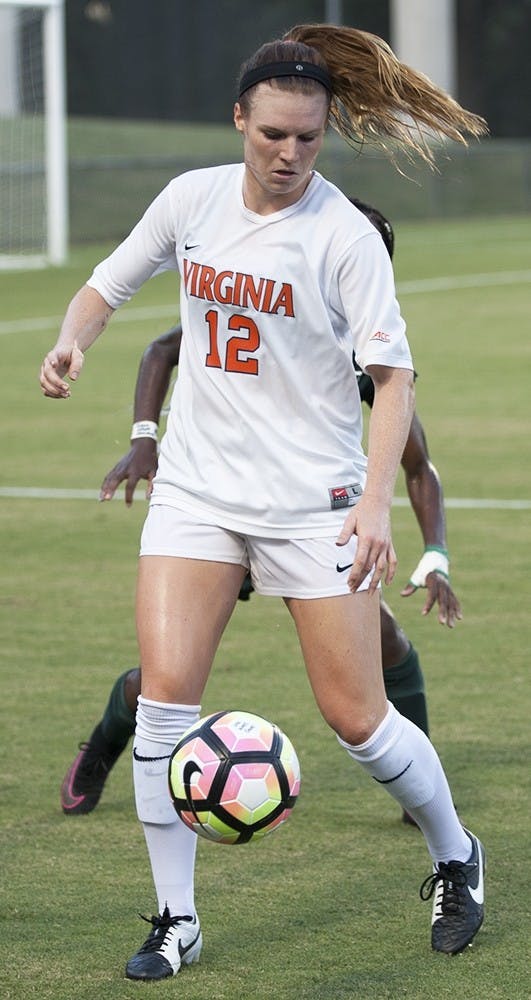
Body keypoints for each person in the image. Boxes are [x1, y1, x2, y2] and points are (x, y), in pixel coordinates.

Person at [40, 24, 487, 979]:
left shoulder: (343, 235)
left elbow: (394, 383)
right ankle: (176, 919)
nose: (288, 154)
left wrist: (374, 506)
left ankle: (455, 853)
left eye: (308, 139)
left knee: (357, 720)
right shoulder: (190, 198)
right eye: (273, 134)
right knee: (164, 710)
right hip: (198, 494)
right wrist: (73, 340)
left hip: (310, 504)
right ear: (238, 118)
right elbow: (106, 286)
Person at [60, 200, 462, 833]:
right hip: (219, 506)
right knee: (167, 681)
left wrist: (434, 554)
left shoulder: (368, 350)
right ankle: (104, 745)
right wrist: (144, 437)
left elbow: (418, 465)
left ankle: (420, 792)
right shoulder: (266, 305)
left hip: (306, 516)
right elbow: (163, 349)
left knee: (383, 647)